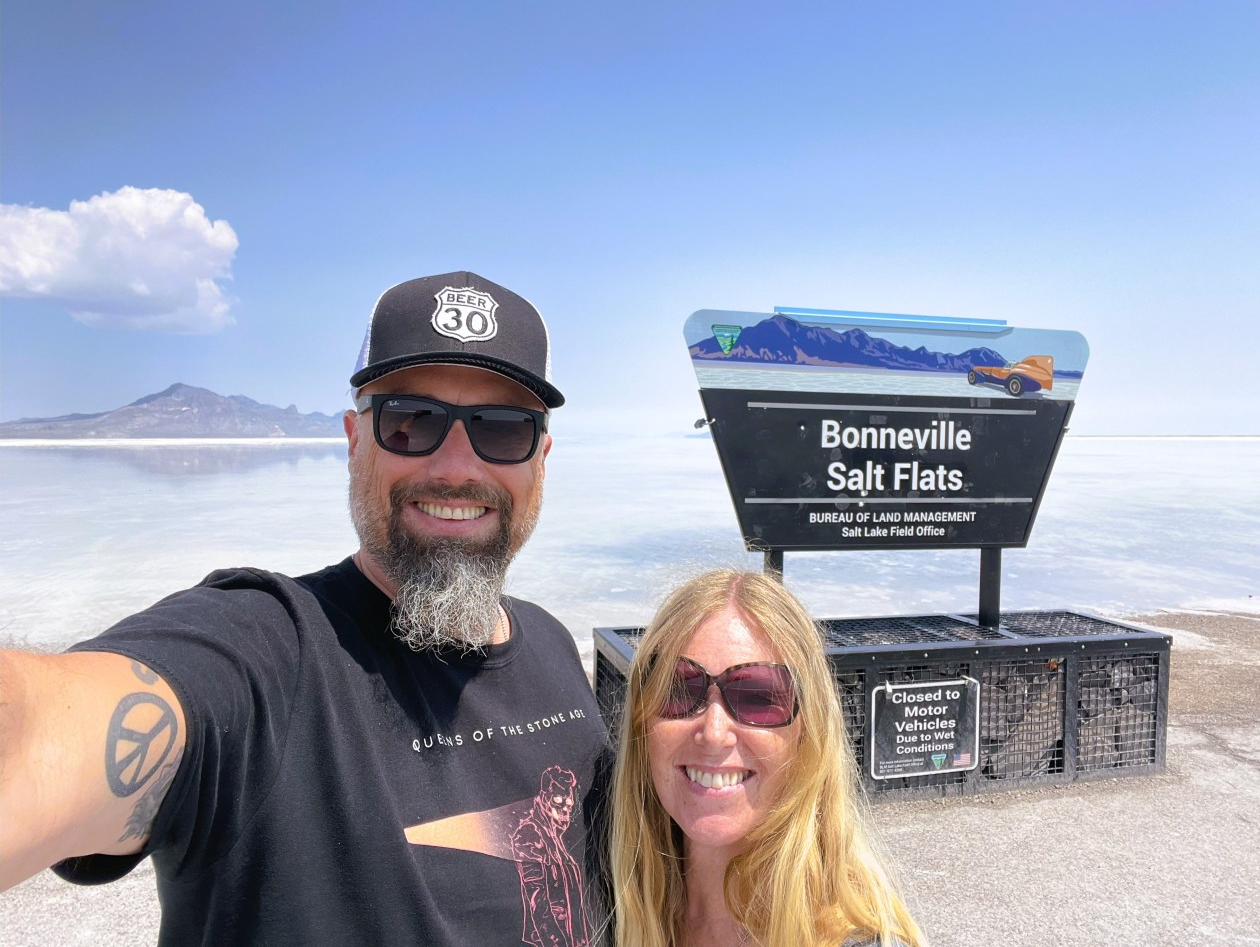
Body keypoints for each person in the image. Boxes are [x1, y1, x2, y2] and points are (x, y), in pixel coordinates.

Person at [0, 271, 609, 946]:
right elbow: (42, 734)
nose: (458, 466)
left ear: (541, 459)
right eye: (412, 421)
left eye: (502, 428)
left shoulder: (552, 645)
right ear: (354, 440)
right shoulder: (268, 650)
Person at [608, 570, 926, 947]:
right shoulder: (602, 911)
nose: (713, 732)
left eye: (757, 696)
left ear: (809, 735)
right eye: (679, 688)